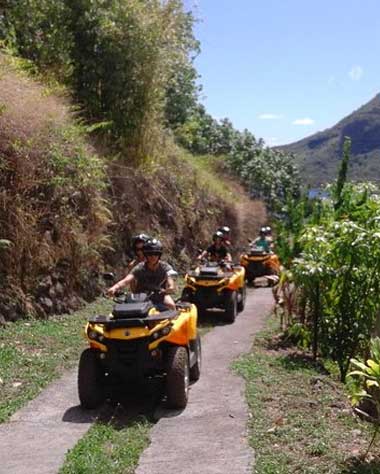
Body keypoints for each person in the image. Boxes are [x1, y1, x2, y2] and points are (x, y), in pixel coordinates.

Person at [107, 238, 176, 310]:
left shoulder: (165, 267)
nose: (153, 257)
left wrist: (169, 288)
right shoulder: (140, 267)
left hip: (160, 294)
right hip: (140, 296)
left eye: (156, 254)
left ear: (159, 255)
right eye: (150, 254)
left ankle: (173, 321)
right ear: (146, 254)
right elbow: (126, 280)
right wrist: (114, 287)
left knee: (171, 306)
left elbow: (170, 280)